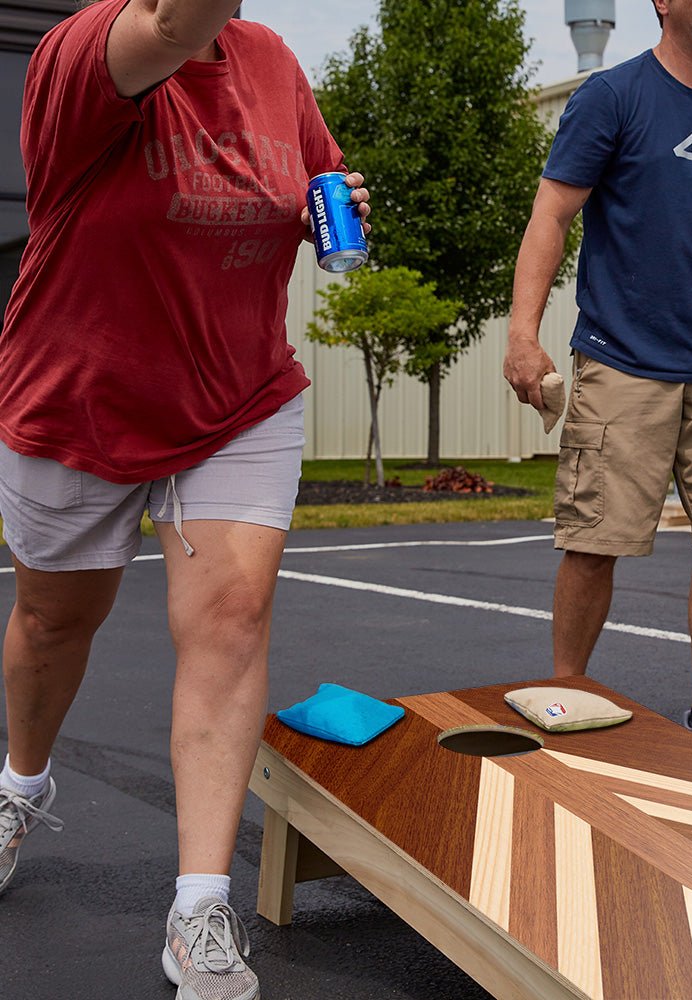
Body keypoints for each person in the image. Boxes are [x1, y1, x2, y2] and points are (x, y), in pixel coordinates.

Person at [0, 2, 370, 998]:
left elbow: (313, 177)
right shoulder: (87, 50)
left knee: (230, 617)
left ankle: (198, 907)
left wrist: (326, 203)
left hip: (238, 396)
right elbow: (170, 22)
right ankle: (19, 784)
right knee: (51, 621)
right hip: (82, 395)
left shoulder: (271, 62)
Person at [504, 0, 692, 774]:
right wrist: (522, 332)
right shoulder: (613, 96)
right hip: (622, 359)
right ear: (661, 2)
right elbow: (552, 215)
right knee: (594, 542)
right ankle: (562, 697)